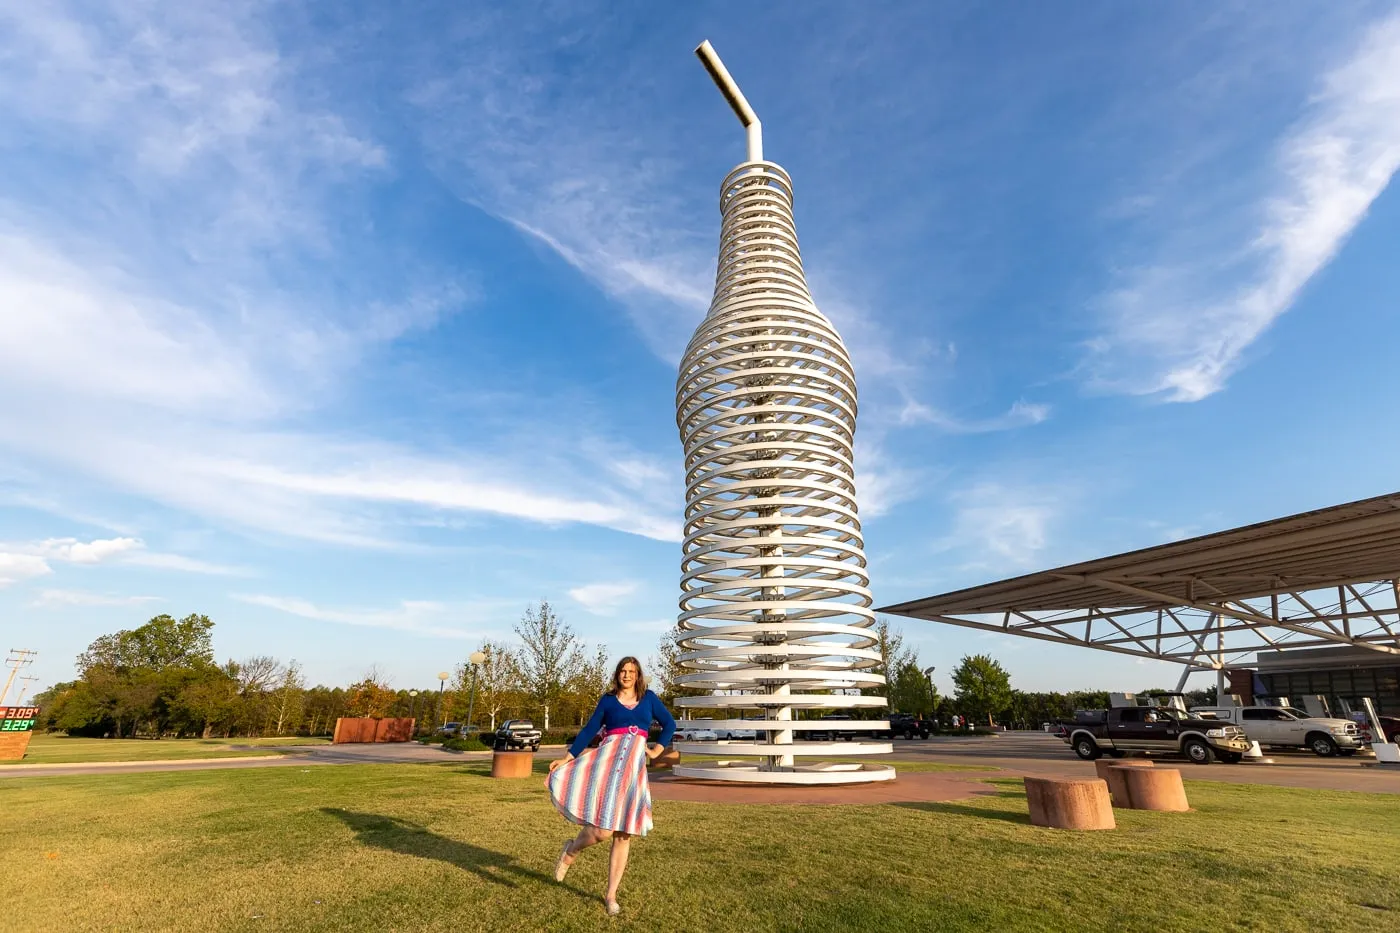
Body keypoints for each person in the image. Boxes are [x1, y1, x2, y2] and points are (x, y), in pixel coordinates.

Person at [547, 656, 675, 916]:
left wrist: (656, 749)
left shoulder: (649, 698)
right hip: (606, 766)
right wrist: (567, 757)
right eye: (623, 671)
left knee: (623, 833)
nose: (627, 675)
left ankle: (611, 895)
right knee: (602, 831)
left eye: (631, 671)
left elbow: (669, 724)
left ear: (638, 675)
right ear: (617, 675)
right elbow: (589, 729)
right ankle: (571, 851)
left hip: (632, 772)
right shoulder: (607, 700)